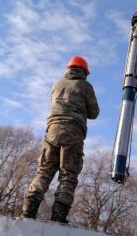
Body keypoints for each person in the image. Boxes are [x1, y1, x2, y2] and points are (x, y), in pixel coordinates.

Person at [21, 56, 99, 223]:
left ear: (69, 68)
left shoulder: (57, 84)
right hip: (73, 131)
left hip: (52, 130)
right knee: (68, 174)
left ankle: (28, 211)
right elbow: (94, 113)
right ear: (85, 72)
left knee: (44, 170)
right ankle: (58, 217)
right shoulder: (85, 86)